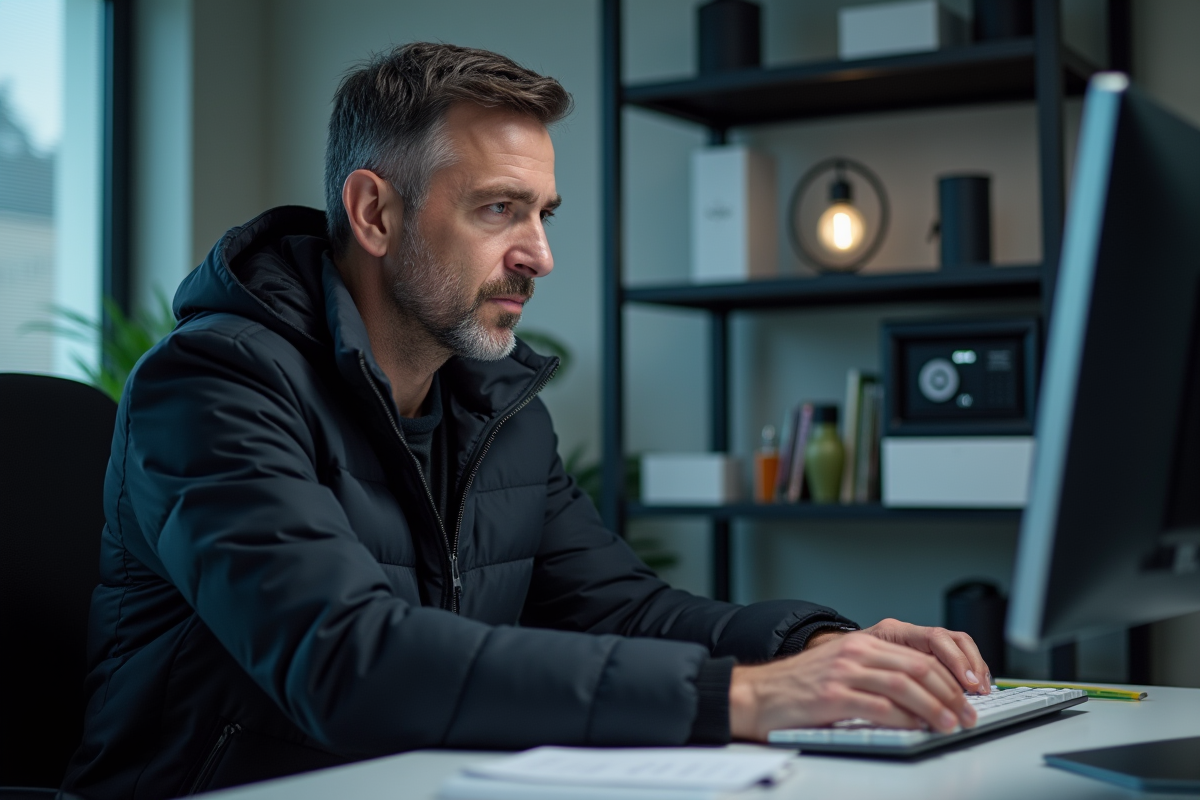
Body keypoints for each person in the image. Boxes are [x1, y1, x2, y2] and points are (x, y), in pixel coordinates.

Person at [62, 42, 990, 800]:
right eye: (498, 210)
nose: (540, 255)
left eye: (543, 213)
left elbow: (624, 609)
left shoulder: (495, 409)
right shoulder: (213, 386)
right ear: (375, 212)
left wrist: (816, 648)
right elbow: (349, 662)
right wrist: (740, 697)